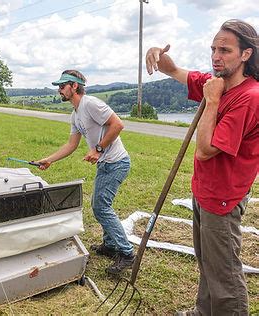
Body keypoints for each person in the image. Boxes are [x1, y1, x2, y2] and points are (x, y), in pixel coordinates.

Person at [146, 19, 259, 315]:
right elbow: (172, 70)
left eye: (225, 50)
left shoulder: (249, 97)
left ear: (246, 54)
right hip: (205, 191)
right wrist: (159, 54)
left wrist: (211, 102)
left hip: (223, 197)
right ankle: (204, 311)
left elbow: (207, 150)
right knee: (207, 261)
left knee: (225, 273)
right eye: (213, 49)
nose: (216, 56)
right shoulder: (217, 83)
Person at [36, 70, 135, 276]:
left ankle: (127, 254)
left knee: (100, 207)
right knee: (100, 205)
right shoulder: (75, 114)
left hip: (117, 162)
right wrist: (49, 160)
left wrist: (98, 149)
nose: (59, 90)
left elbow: (118, 124)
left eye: (63, 86)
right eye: (59, 86)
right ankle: (109, 246)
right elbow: (72, 145)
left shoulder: (91, 104)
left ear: (74, 86)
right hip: (105, 165)